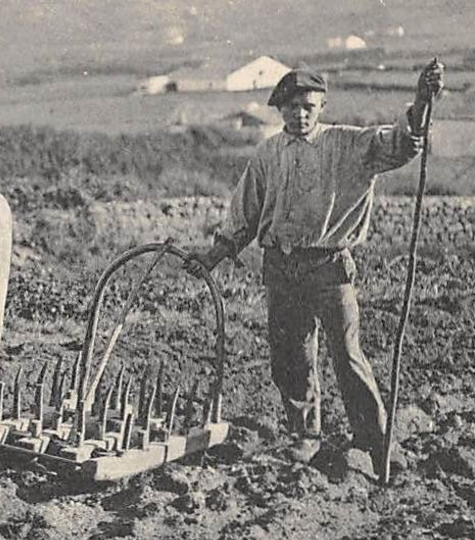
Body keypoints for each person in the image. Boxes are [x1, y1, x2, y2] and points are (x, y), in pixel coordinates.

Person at [187, 60, 444, 471]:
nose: (300, 114)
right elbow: (245, 213)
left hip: (329, 268)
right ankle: (305, 435)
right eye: (291, 107)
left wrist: (420, 100)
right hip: (281, 268)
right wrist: (213, 258)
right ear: (280, 110)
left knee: (347, 355)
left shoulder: (348, 145)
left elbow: (401, 144)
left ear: (321, 106)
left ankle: (375, 443)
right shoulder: (269, 153)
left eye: (308, 106)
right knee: (290, 356)